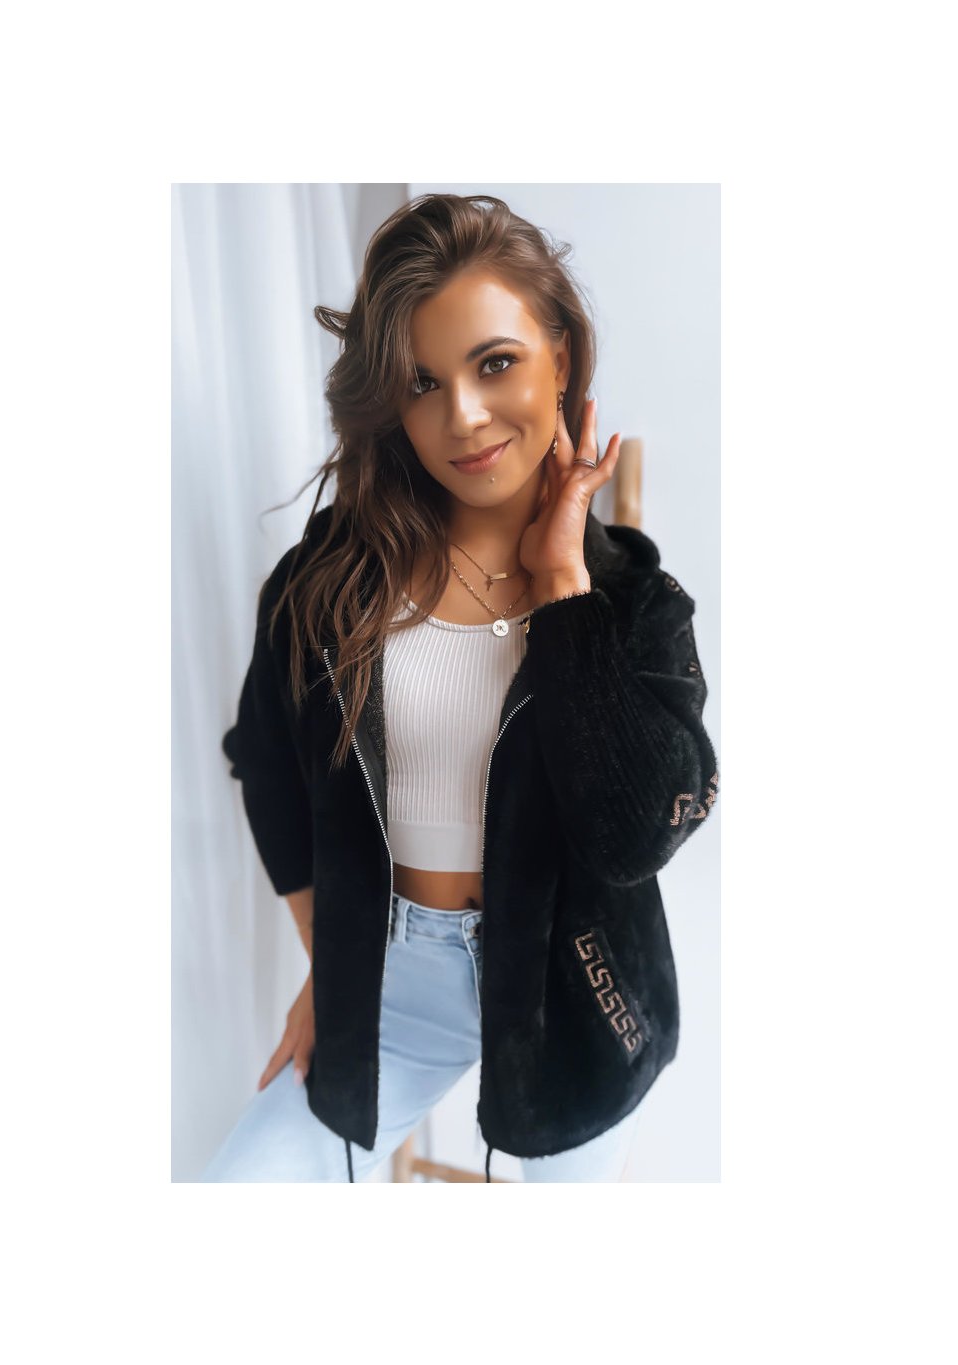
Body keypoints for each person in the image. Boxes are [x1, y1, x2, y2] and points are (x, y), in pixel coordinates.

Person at [201, 193, 719, 1183]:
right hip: (392, 987)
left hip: (576, 997)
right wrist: (330, 960)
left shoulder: (632, 603)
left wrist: (562, 590)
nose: (464, 418)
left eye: (495, 363)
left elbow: (634, 833)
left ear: (559, 356)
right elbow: (263, 759)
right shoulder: (333, 578)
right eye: (422, 383)